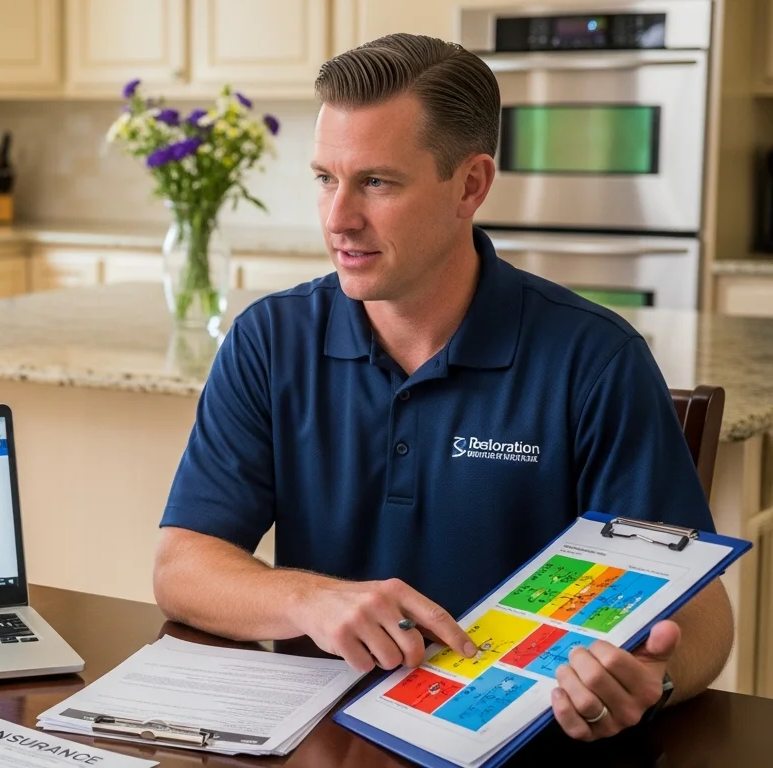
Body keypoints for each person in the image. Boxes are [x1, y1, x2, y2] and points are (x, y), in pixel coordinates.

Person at [152, 34, 733, 743]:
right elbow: (183, 565)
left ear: (471, 185)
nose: (338, 218)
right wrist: (309, 600)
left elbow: (703, 613)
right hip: (319, 741)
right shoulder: (269, 341)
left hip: (520, 742)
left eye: (377, 182)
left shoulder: (595, 359)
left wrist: (653, 681)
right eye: (326, 178)